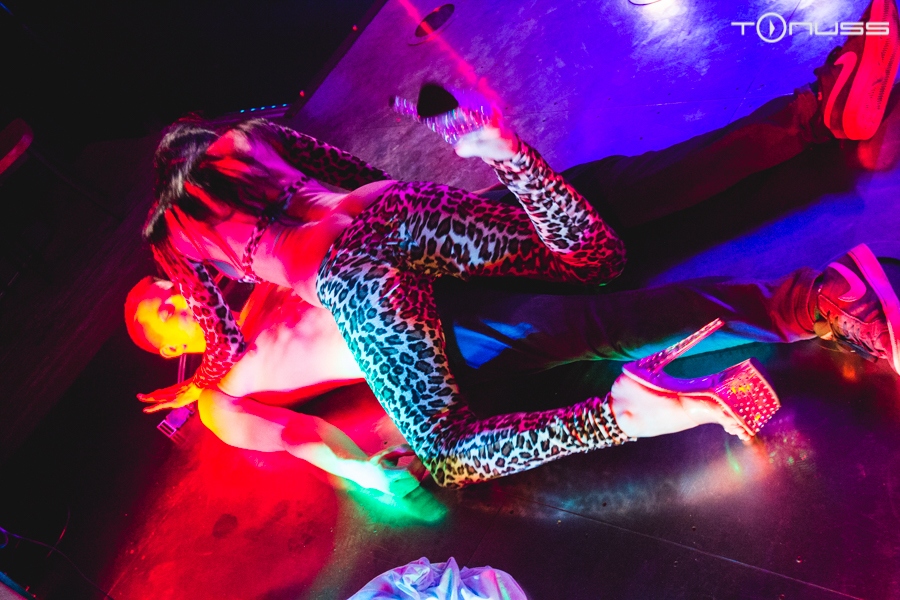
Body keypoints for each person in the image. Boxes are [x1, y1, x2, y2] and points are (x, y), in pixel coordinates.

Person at [136, 4, 900, 488]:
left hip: (435, 242)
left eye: (161, 288)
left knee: (627, 190)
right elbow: (316, 440)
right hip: (446, 334)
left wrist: (497, 162)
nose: (172, 298)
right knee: (605, 323)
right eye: (161, 311)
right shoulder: (224, 387)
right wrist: (370, 472)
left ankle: (818, 116)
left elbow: (351, 180)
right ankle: (817, 304)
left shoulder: (268, 223)